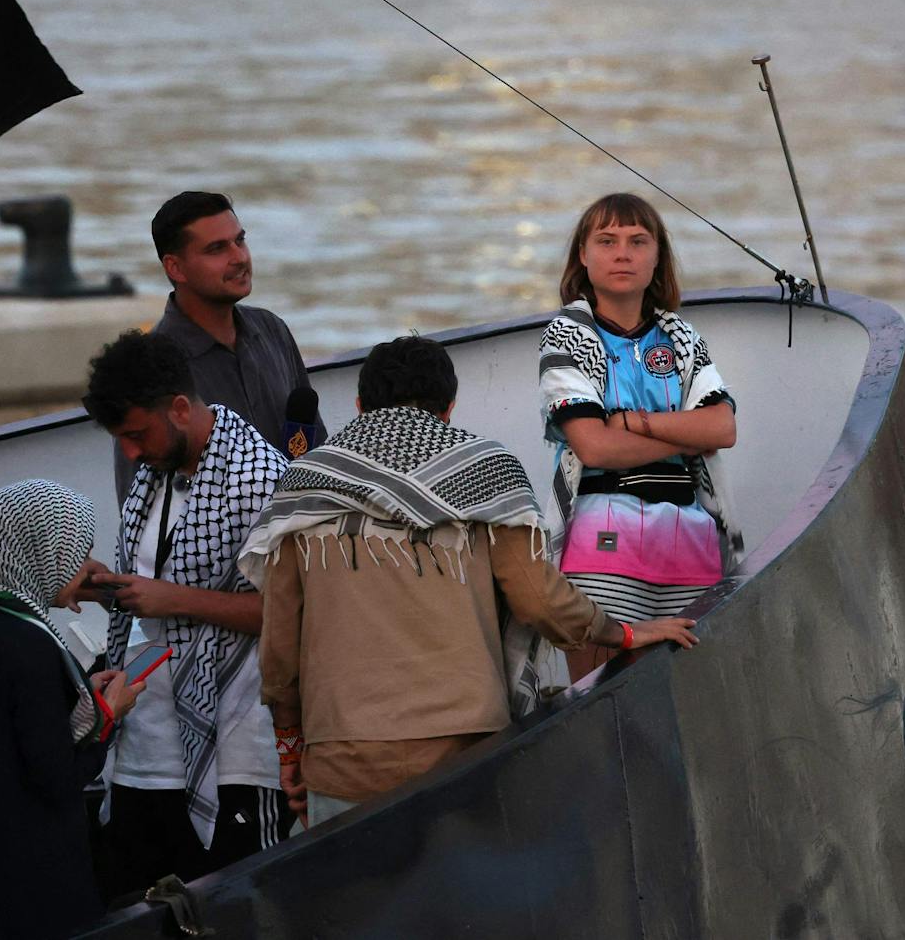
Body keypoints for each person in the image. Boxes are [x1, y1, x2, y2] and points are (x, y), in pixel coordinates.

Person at [246, 336, 701, 826]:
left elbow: (280, 648)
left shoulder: (304, 484)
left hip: (343, 757)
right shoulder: (484, 470)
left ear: (359, 406)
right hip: (465, 754)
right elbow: (538, 600)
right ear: (449, 408)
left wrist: (291, 752)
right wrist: (624, 632)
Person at [83, 331, 293, 896]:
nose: (129, 452)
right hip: (142, 756)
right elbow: (160, 592)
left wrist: (170, 598)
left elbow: (289, 614)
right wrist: (107, 589)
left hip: (232, 758)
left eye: (135, 434)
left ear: (179, 408)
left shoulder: (259, 479)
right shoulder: (155, 478)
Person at [0, 480, 144, 939]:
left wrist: (77, 695)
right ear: (42, 553)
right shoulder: (28, 643)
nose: (86, 569)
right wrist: (107, 716)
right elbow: (56, 779)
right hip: (32, 882)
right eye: (77, 553)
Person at [539, 192, 740, 683]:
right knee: (602, 709)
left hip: (691, 551)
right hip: (599, 555)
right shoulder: (565, 335)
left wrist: (629, 422)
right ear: (583, 257)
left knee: (691, 706)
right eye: (606, 241)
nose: (622, 253)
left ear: (658, 257)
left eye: (637, 241)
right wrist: (686, 434)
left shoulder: (682, 338)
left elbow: (723, 428)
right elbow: (594, 447)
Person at [115, 191, 323, 496]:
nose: (239, 257)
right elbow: (140, 507)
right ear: (175, 268)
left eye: (240, 240)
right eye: (217, 249)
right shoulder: (146, 372)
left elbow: (316, 451)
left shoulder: (272, 330)